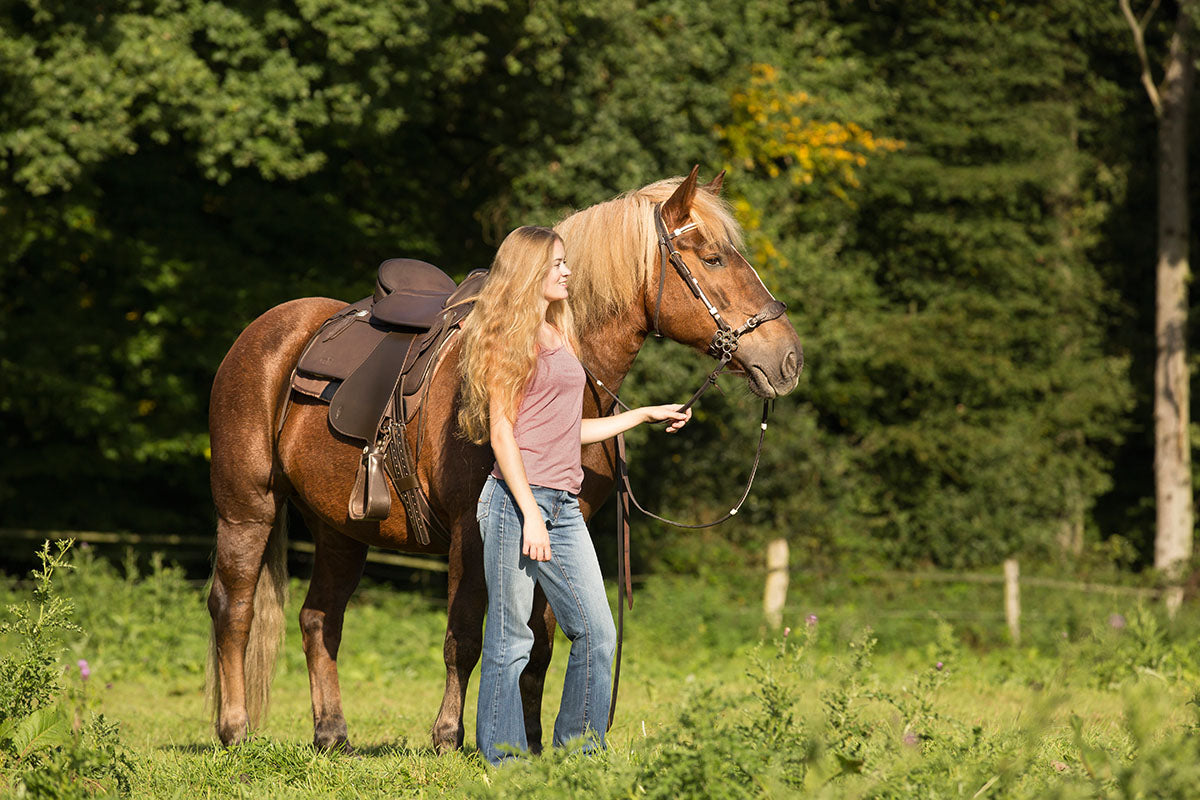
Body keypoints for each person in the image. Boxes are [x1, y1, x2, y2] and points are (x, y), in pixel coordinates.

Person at [458, 225, 691, 765]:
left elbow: (566, 430)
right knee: (512, 640)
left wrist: (643, 414)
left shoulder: (559, 335)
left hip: (563, 506)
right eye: (557, 263)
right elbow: (502, 435)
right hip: (516, 506)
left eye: (565, 262)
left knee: (597, 633)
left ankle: (580, 752)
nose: (567, 271)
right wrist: (529, 518)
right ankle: (504, 759)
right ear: (529, 271)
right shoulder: (501, 339)